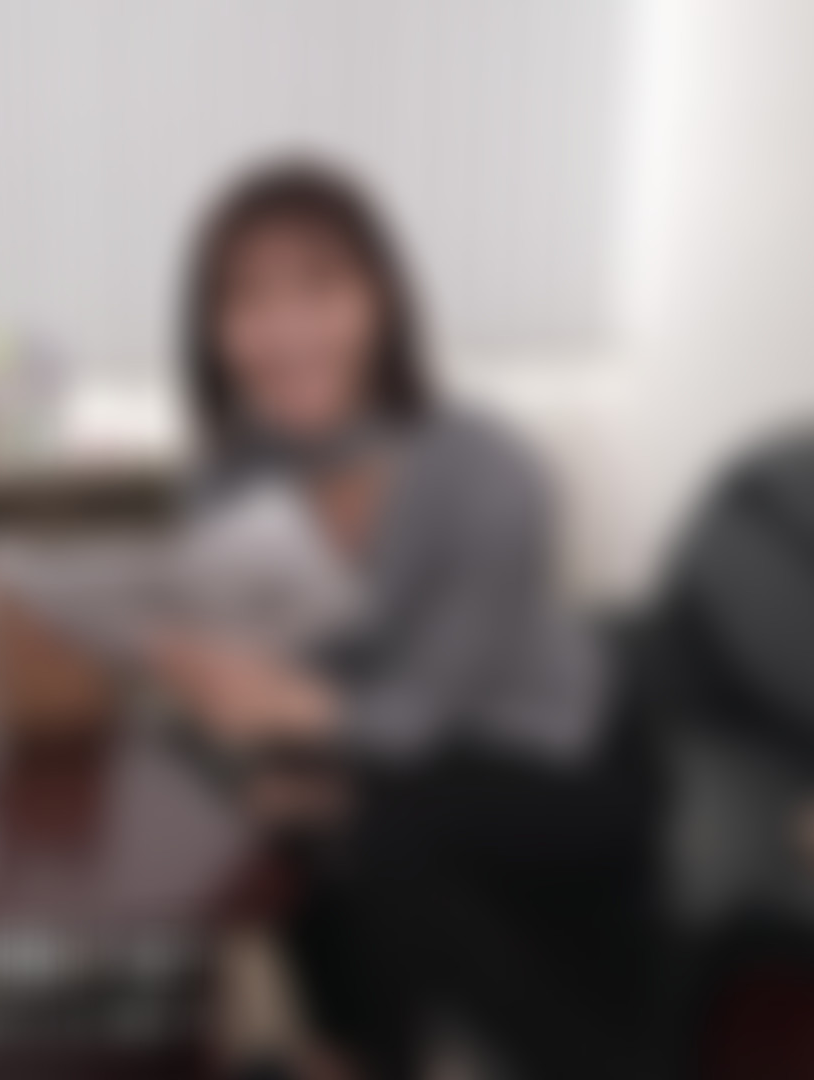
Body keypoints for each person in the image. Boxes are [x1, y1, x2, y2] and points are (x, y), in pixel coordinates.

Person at [141, 162, 654, 1079]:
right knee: (249, 795)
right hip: (383, 746)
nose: (286, 329)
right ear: (213, 332)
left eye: (319, 287)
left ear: (380, 300)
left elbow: (420, 715)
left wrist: (291, 722)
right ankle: (342, 1046)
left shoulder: (486, 466)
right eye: (247, 299)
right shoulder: (226, 482)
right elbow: (254, 672)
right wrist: (199, 678)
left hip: (553, 749)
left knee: (376, 824)